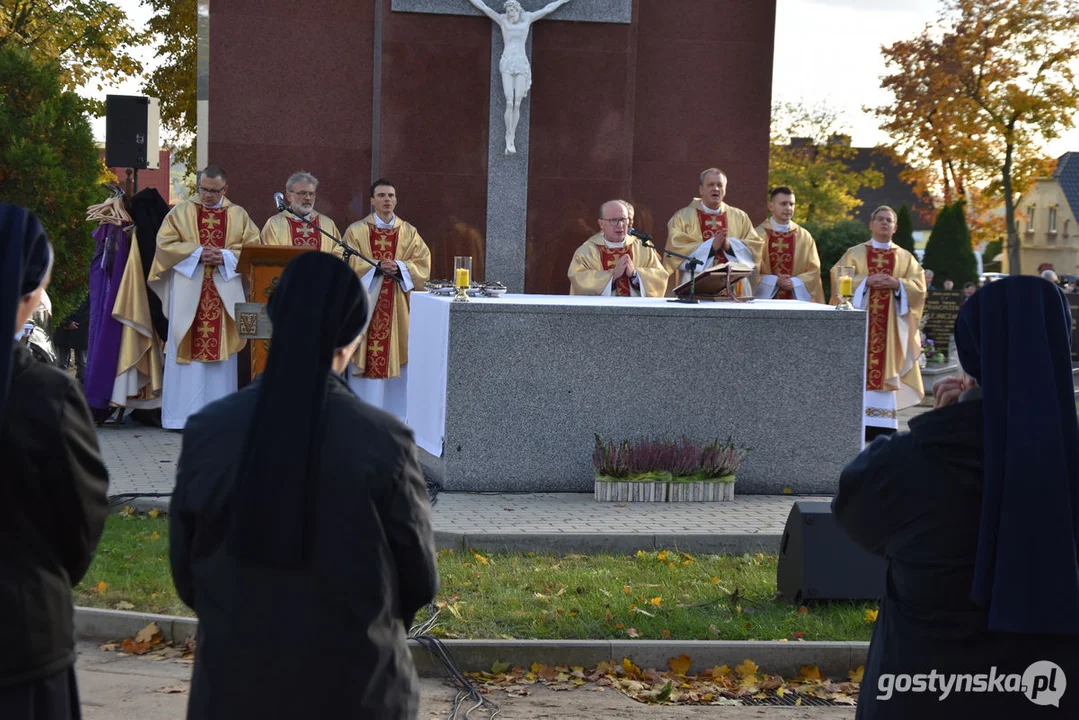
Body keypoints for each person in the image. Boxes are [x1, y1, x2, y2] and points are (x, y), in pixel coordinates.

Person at [170, 252, 438, 720]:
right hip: (356, 689)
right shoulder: (383, 440)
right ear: (353, 336)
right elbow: (417, 576)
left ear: (275, 319)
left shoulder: (210, 430)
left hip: (236, 688)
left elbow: (186, 566)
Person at [833, 276, 1079, 719]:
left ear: (971, 351)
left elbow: (853, 510)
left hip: (924, 688)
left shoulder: (917, 459)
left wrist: (943, 423)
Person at [0, 204, 109, 720]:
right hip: (23, 640)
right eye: (41, 286)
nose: (44, 298)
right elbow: (81, 521)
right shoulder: (47, 395)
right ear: (23, 291)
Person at [148, 165, 260, 430]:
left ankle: (220, 418)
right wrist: (197, 253)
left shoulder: (238, 215)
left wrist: (224, 256)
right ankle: (181, 418)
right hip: (190, 291)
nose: (207, 195)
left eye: (213, 191)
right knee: (186, 349)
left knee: (222, 355)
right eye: (203, 189)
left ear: (225, 189)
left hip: (223, 292)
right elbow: (164, 244)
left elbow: (254, 247)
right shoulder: (181, 212)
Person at [830, 206, 925, 441]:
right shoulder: (855, 253)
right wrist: (867, 281)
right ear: (871, 225)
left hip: (890, 334)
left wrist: (897, 284)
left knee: (886, 369)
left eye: (889, 220)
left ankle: (882, 430)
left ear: (895, 228)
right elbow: (837, 277)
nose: (884, 223)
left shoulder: (905, 257)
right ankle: (854, 425)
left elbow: (919, 288)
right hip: (861, 330)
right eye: (879, 219)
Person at [339, 179, 431, 421]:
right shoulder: (356, 231)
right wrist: (375, 266)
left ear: (396, 199)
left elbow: (424, 265)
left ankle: (396, 423)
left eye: (391, 195)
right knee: (368, 363)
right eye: (381, 195)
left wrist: (400, 267)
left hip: (399, 312)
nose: (387, 199)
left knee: (399, 367)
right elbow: (343, 263)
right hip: (366, 309)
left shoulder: (409, 232)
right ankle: (362, 421)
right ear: (372, 201)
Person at [468, 0, 572, 154]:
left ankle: (512, 137)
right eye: (508, 12)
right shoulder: (502, 20)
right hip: (507, 63)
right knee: (509, 101)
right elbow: (484, 7)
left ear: (518, 11)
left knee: (517, 103)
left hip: (521, 63)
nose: (510, 15)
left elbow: (547, 9)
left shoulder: (528, 18)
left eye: (513, 12)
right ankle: (508, 137)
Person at [663, 168, 763, 297]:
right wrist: (710, 247)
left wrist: (730, 247)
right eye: (710, 185)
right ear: (701, 190)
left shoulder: (740, 217)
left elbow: (755, 249)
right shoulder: (682, 217)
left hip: (734, 286)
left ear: (725, 189)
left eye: (720, 185)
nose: (715, 189)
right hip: (696, 285)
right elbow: (674, 252)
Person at [567, 200, 668, 296]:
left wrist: (635, 274)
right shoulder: (587, 251)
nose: (620, 225)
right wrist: (612, 276)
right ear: (601, 224)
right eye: (613, 220)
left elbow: (660, 278)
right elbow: (579, 281)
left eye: (623, 219)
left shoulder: (642, 247)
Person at [753, 186, 824, 303]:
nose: (788, 208)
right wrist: (774, 281)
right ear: (771, 206)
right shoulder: (757, 236)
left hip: (795, 302)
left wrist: (794, 283)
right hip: (765, 303)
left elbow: (814, 271)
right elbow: (750, 270)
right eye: (783, 204)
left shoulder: (804, 237)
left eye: (791, 204)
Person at [260, 171, 340, 251]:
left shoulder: (327, 224)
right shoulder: (274, 224)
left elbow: (338, 253)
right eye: (302, 193)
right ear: (289, 197)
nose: (308, 198)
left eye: (311, 194)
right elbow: (270, 256)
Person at [53, 295, 89, 380]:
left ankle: (80, 389)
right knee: (61, 363)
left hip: (81, 329)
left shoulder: (89, 289)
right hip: (63, 331)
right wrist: (66, 322)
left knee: (83, 363)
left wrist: (74, 324)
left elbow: (90, 309)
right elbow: (56, 306)